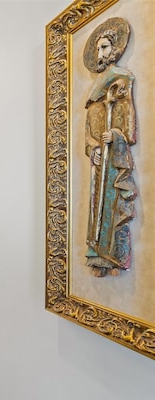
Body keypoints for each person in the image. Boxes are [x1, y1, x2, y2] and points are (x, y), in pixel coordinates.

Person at [83, 18, 137, 277]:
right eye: (98, 49)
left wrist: (114, 136)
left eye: (105, 47)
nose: (101, 53)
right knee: (95, 207)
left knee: (113, 203)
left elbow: (128, 125)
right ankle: (97, 257)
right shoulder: (94, 89)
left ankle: (115, 257)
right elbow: (88, 126)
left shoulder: (122, 78)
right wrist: (92, 145)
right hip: (98, 158)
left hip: (114, 158)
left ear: (115, 49)